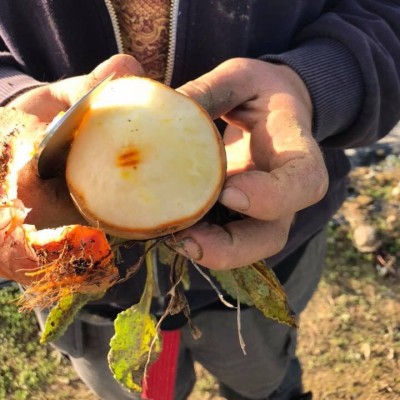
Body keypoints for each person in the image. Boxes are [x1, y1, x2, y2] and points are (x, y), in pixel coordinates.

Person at [1, 1, 400, 399]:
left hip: (272, 252)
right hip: (90, 283)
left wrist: (313, 83)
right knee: (140, 391)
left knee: (262, 382)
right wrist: (12, 107)